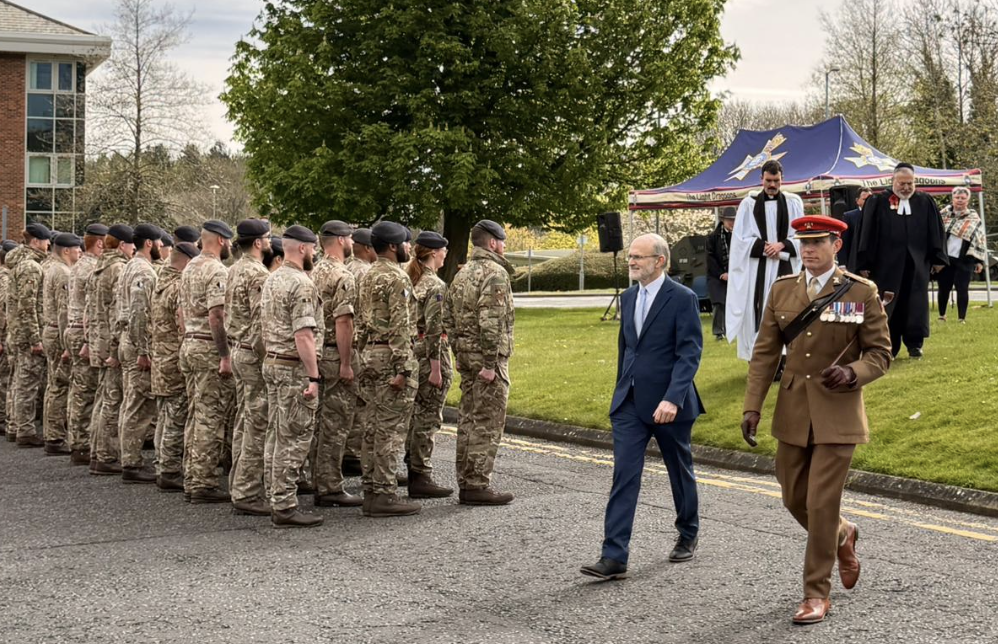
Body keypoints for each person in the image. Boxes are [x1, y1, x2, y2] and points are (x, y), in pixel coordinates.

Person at [741, 216, 891, 625]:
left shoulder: (861, 292)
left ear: (836, 245)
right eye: (803, 242)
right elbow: (765, 354)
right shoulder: (782, 289)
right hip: (793, 410)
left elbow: (880, 353)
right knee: (794, 498)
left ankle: (815, 594)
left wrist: (853, 373)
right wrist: (752, 405)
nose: (808, 249)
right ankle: (843, 534)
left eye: (817, 242)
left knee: (821, 503)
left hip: (838, 411)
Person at [580, 233, 704, 581]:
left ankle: (688, 531)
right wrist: (621, 390)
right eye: (631, 256)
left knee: (679, 471)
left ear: (659, 261)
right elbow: (627, 348)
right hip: (630, 404)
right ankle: (614, 555)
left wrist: (673, 398)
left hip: (669, 405)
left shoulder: (683, 298)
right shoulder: (630, 295)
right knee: (624, 476)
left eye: (639, 257)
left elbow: (689, 353)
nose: (632, 262)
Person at [443, 219, 516, 505]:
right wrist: (488, 363)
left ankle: (467, 480)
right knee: (487, 421)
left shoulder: (462, 273)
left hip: (466, 357)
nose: (505, 246)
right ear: (494, 242)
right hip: (488, 361)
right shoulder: (495, 273)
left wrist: (459, 352)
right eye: (504, 241)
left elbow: (447, 317)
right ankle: (477, 484)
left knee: (469, 419)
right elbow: (491, 322)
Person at [260, 225, 325, 528]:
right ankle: (284, 504)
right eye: (313, 248)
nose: (315, 253)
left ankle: (275, 496)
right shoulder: (301, 283)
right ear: (302, 248)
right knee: (294, 437)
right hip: (291, 367)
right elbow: (304, 335)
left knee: (276, 433)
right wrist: (313, 377)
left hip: (273, 361)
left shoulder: (273, 278)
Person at [356, 221, 421, 517]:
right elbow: (400, 325)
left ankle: (371, 489)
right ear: (394, 246)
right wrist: (404, 369)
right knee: (391, 431)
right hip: (391, 355)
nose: (410, 247)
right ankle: (384, 493)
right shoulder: (398, 278)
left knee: (371, 427)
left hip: (370, 353)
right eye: (406, 243)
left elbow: (359, 321)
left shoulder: (367, 275)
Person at [857, 163, 947, 358]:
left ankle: (915, 344)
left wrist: (938, 257)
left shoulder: (925, 201)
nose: (906, 188)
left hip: (917, 264)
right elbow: (867, 234)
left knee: (916, 304)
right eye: (902, 183)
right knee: (889, 305)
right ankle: (890, 346)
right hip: (886, 265)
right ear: (893, 181)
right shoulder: (877, 201)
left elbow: (936, 231)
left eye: (910, 183)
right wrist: (864, 262)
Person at [180, 220, 236, 503]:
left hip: (190, 343)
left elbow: (181, 310)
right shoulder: (216, 270)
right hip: (207, 348)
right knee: (209, 415)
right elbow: (217, 316)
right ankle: (202, 482)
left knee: (196, 412)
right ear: (222, 241)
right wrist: (225, 354)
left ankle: (191, 476)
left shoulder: (190, 266)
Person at [726, 159, 804, 360]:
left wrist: (782, 245)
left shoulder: (793, 203)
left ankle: (787, 357)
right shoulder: (748, 204)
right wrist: (764, 247)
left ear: (782, 179)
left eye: (776, 181)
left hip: (785, 266)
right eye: (768, 180)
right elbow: (740, 240)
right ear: (761, 179)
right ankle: (761, 357)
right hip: (758, 269)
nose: (772, 185)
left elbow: (801, 236)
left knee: (788, 309)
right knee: (759, 310)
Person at [311, 220, 364, 508]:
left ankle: (316, 478)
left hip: (317, 354)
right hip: (335, 353)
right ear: (341, 240)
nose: (352, 241)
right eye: (350, 237)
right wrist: (346, 363)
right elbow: (344, 321)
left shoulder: (313, 270)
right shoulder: (343, 275)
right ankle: (329, 486)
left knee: (319, 424)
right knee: (336, 425)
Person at [401, 231, 454, 498]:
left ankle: (413, 467)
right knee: (429, 416)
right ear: (434, 253)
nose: (446, 254)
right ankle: (421, 474)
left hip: (413, 351)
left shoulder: (411, 280)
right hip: (430, 355)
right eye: (443, 250)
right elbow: (434, 330)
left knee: (415, 414)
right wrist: (436, 367)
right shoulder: (434, 286)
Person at [226, 219, 274, 515]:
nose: (271, 242)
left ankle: (238, 484)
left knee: (244, 419)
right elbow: (260, 322)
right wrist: (266, 356)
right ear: (258, 242)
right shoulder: (258, 274)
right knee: (256, 423)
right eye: (268, 238)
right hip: (251, 354)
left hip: (236, 349)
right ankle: (246, 492)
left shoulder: (233, 270)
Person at [117, 224, 163, 483]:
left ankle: (129, 460)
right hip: (137, 345)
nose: (160, 246)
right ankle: (131, 463)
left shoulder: (129, 267)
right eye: (158, 242)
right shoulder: (143, 271)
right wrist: (144, 350)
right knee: (139, 405)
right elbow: (138, 313)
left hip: (128, 340)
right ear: (149, 243)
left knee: (131, 403)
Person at [150, 242, 198, 493]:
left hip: (160, 355)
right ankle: (169, 469)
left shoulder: (160, 282)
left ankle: (162, 464)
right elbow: (183, 323)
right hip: (174, 356)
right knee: (176, 414)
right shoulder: (179, 286)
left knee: (165, 414)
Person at [87, 224, 134, 474]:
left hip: (98, 339)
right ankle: (105, 455)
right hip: (110, 341)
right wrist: (115, 349)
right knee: (113, 399)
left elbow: (90, 308)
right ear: (123, 245)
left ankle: (97, 452)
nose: (133, 249)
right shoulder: (117, 268)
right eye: (131, 244)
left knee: (103, 398)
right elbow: (118, 311)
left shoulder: (99, 266)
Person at [8, 223, 52, 447]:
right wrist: (35, 338)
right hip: (27, 334)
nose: (48, 245)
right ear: (36, 241)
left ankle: (17, 426)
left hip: (20, 332)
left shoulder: (24, 263)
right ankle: (24, 430)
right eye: (46, 241)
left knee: (21, 381)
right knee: (27, 384)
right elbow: (28, 306)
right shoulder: (31, 267)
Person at [65, 224, 106, 465]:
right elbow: (91, 308)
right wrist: (91, 341)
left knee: (78, 388)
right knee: (86, 391)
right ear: (99, 243)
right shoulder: (90, 268)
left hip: (73, 328)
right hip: (83, 332)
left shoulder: (77, 266)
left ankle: (78, 441)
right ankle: (81, 443)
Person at [41, 232, 82, 455]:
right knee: (60, 384)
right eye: (77, 249)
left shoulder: (51, 268)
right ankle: (55, 436)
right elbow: (65, 311)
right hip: (58, 332)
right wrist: (68, 344)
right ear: (66, 250)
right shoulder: (63, 272)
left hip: (50, 329)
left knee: (53, 383)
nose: (80, 252)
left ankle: (52, 433)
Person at [342, 227, 375, 476]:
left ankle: (347, 452)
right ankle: (352, 453)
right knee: (361, 403)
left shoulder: (346, 267)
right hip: (355, 344)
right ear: (365, 247)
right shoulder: (364, 272)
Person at [937, 187, 986, 323]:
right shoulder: (943, 214)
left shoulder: (974, 217)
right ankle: (942, 315)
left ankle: (961, 318)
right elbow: (936, 234)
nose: (960, 200)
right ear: (952, 198)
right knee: (944, 287)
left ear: (967, 200)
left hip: (965, 259)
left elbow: (979, 240)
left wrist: (978, 261)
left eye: (963, 198)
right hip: (946, 258)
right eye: (957, 197)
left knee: (962, 288)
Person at [706, 207, 735, 340]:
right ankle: (718, 332)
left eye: (733, 220)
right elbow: (710, 258)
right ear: (723, 220)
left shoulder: (738, 236)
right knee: (719, 302)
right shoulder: (713, 237)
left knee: (735, 303)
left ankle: (733, 330)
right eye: (729, 220)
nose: (732, 223)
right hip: (716, 276)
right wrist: (721, 274)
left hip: (735, 274)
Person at [0, 240, 16, 440]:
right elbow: (3, 310)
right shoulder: (5, 278)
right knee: (5, 379)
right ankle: (3, 417)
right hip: (4, 332)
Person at [835, 188, 871, 271]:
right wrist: (842, 264)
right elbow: (844, 241)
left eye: (870, 199)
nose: (868, 202)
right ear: (857, 201)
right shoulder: (849, 216)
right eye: (864, 199)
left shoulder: (879, 215)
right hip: (855, 264)